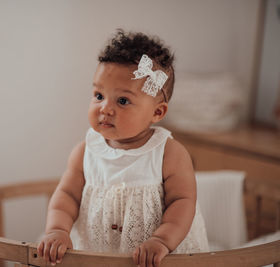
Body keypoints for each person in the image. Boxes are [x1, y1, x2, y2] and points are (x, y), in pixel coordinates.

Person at [37, 29, 209, 267]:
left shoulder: (169, 154)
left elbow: (183, 202)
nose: (104, 108)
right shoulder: (85, 152)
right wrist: (57, 230)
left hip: (158, 257)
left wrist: (161, 241)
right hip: (98, 256)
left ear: (157, 112)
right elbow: (67, 196)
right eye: (98, 95)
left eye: (122, 101)